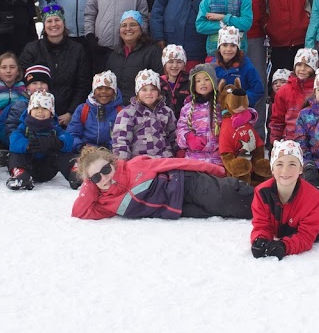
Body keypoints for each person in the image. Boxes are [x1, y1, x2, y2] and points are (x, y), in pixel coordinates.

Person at [71, 144, 254, 220]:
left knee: (228, 199)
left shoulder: (134, 166)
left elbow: (174, 162)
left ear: (113, 164)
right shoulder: (105, 204)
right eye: (96, 177)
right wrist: (90, 183)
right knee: (227, 211)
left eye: (105, 170)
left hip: (185, 183)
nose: (104, 177)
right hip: (179, 208)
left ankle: (272, 199)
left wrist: (212, 169)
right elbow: (79, 212)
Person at [250, 140, 319, 260]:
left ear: (301, 169)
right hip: (305, 193)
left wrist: (284, 246)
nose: (285, 170)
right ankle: (311, 167)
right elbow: (261, 224)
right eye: (279, 164)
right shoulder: (261, 193)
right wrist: (260, 239)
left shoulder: (312, 198)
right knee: (307, 186)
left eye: (292, 164)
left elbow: (305, 236)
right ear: (272, 169)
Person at [19, 3, 90, 127]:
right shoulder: (32, 49)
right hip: (38, 114)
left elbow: (83, 86)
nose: (53, 24)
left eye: (57, 20)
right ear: (44, 25)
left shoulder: (77, 50)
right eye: (49, 21)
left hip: (68, 116)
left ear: (63, 23)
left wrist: (71, 113)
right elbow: (24, 82)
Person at [7, 91, 76, 190]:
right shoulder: (24, 126)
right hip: (29, 167)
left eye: (45, 108)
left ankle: (74, 173)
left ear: (51, 113)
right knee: (15, 154)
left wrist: (58, 142)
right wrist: (27, 145)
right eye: (36, 108)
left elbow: (68, 138)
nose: (40, 111)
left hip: (48, 168)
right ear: (29, 111)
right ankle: (20, 175)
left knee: (64, 154)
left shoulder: (55, 127)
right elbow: (14, 139)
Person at [110, 69, 178, 159]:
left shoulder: (166, 112)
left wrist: (179, 151)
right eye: (144, 89)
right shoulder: (127, 114)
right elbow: (121, 141)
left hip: (163, 159)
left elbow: (173, 136)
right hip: (139, 160)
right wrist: (122, 161)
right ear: (137, 92)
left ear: (158, 92)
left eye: (153, 89)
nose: (149, 93)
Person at [212, 25, 266, 136]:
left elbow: (258, 89)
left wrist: (241, 100)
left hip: (241, 111)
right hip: (220, 112)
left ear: (238, 47)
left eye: (233, 45)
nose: (228, 49)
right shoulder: (213, 66)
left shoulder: (246, 65)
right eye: (225, 45)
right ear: (219, 47)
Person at [105, 12, 163, 103]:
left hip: (142, 108)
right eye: (124, 25)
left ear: (141, 28)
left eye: (133, 25)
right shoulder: (114, 54)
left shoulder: (152, 51)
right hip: (116, 108)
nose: (128, 29)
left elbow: (161, 82)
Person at [67, 71, 125, 152]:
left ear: (114, 91)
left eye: (108, 88)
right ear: (94, 92)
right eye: (99, 88)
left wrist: (108, 149)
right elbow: (72, 134)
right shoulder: (82, 109)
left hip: (112, 153)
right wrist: (81, 147)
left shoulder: (122, 112)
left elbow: (123, 136)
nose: (103, 92)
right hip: (85, 154)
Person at [268, 48, 318, 144]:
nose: (302, 69)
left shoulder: (318, 90)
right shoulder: (284, 91)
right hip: (289, 141)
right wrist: (275, 142)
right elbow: (277, 120)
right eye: (299, 65)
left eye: (307, 66)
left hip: (313, 141)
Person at [175, 64, 222, 164]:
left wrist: (248, 115)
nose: (203, 83)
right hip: (194, 160)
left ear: (213, 81)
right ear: (193, 85)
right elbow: (180, 131)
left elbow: (239, 110)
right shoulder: (187, 108)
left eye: (206, 79)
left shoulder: (222, 105)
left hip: (218, 160)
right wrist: (189, 138)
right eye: (198, 81)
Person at [159, 44, 190, 117]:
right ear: (164, 64)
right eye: (170, 62)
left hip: (184, 123)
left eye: (179, 62)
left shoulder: (190, 82)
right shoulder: (158, 83)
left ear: (184, 64)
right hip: (164, 123)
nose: (175, 65)